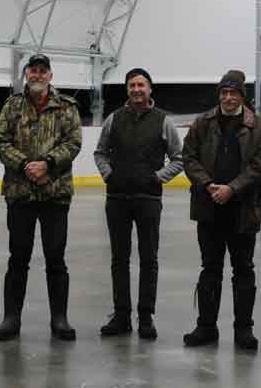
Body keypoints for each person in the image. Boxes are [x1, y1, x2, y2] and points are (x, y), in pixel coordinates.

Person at [0, 53, 83, 341]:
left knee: (56, 258)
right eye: (33, 70)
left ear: (50, 76)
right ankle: (11, 319)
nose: (38, 75)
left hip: (55, 194)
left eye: (43, 71)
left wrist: (47, 164)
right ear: (27, 74)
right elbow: (1, 142)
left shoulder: (67, 106)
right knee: (18, 258)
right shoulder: (12, 106)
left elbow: (74, 143)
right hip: (20, 194)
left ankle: (59, 319)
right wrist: (25, 166)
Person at [181, 70, 261, 351]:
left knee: (243, 269)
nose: (228, 98)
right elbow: (189, 158)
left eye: (234, 93)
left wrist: (232, 189)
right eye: (224, 93)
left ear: (242, 96)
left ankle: (244, 330)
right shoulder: (202, 122)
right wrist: (207, 185)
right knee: (210, 268)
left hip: (243, 210)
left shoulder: (259, 127)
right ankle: (206, 326)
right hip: (209, 209)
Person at [94, 67, 184, 339]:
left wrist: (157, 178)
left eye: (141, 85)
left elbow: (179, 158)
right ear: (127, 89)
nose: (136, 89)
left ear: (149, 89)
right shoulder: (113, 119)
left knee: (149, 259)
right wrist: (109, 175)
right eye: (132, 85)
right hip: (117, 200)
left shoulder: (163, 121)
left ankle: (146, 316)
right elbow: (100, 153)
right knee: (119, 259)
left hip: (149, 200)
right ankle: (121, 315)